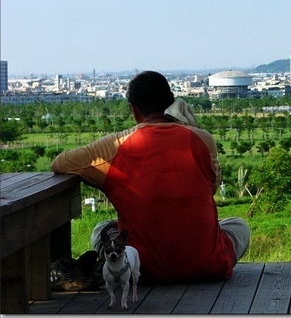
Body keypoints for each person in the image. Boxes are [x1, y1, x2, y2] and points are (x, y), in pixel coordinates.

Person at [52, 71, 250, 283]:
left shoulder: (115, 147)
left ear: (133, 109)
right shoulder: (202, 139)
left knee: (101, 229)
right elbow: (210, 187)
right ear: (172, 102)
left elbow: (59, 163)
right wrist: (188, 126)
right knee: (239, 226)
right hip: (208, 266)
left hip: (142, 271)